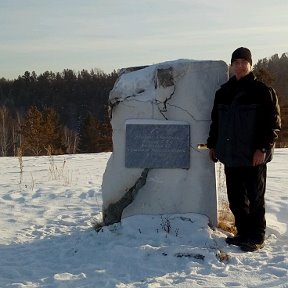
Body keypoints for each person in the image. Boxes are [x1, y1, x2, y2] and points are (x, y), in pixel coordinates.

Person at [207, 47, 281, 252]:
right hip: (230, 155)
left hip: (253, 156)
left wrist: (263, 149)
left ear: (250, 64)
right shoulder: (223, 92)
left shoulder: (262, 91)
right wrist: (213, 145)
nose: (240, 66)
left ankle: (256, 236)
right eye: (236, 62)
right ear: (231, 65)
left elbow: (273, 125)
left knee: (255, 197)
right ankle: (243, 233)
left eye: (243, 62)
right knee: (236, 198)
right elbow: (216, 122)